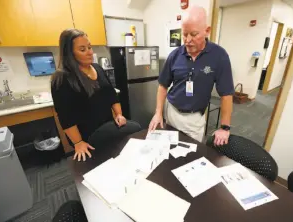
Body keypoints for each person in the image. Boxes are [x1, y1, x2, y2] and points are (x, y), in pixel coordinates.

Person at [51, 29, 141, 162]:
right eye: (82, 49)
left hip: (108, 128)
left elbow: (112, 95)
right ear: (69, 53)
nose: (90, 52)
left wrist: (119, 114)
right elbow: (66, 117)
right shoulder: (62, 79)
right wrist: (78, 143)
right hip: (87, 137)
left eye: (89, 47)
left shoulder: (97, 68)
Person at [148, 6, 234, 145]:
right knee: (168, 153)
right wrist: (158, 113)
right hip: (171, 112)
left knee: (191, 158)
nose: (187, 40)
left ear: (207, 31)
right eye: (184, 34)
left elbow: (227, 94)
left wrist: (225, 127)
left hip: (194, 119)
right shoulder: (175, 55)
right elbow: (163, 86)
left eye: (193, 34)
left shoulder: (220, 56)